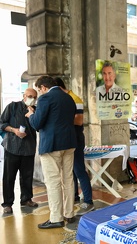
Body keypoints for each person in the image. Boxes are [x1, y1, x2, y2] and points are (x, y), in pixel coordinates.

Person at [25, 76, 77, 229]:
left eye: (39, 90)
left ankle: (56, 218)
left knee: (53, 182)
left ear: (43, 88)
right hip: (69, 143)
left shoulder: (45, 98)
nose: (39, 93)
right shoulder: (69, 98)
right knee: (68, 180)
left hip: (51, 145)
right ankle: (69, 214)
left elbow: (36, 124)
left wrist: (31, 115)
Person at [54, 77, 95, 215]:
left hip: (76, 137)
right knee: (69, 170)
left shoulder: (74, 98)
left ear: (58, 88)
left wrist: (60, 119)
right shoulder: (64, 98)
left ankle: (88, 201)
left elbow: (78, 121)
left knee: (78, 169)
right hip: (68, 137)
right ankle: (75, 196)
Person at [0, 88, 38, 214]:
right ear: (24, 96)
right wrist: (14, 130)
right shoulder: (12, 107)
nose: (31, 99)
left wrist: (33, 114)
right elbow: (2, 123)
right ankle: (7, 203)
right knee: (9, 176)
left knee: (27, 176)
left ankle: (26, 199)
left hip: (29, 148)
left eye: (34, 97)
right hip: (12, 147)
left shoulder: (36, 111)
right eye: (29, 96)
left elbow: (39, 127)